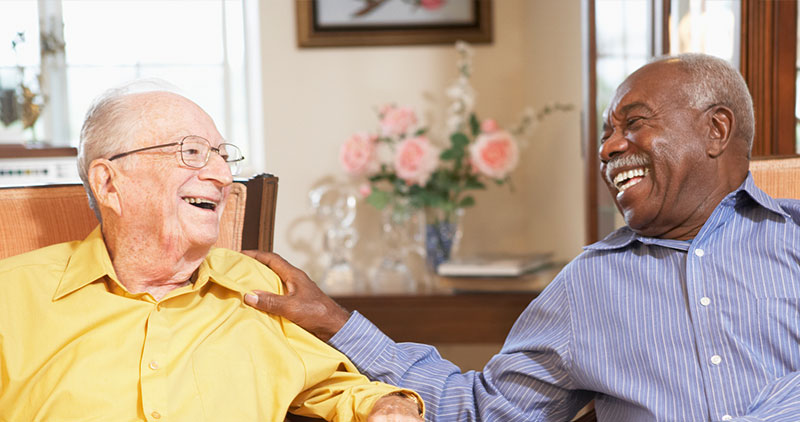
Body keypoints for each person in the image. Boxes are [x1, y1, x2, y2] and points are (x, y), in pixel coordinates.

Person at [243, 53, 800, 421]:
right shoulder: (590, 285)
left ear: (716, 130)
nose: (607, 149)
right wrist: (336, 322)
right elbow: (482, 409)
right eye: (606, 133)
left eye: (634, 123)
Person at [0, 87, 424, 422]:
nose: (223, 176)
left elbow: (339, 388)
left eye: (222, 156)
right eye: (192, 152)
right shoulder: (12, 295)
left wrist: (390, 406)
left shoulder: (259, 290)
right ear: (110, 183)